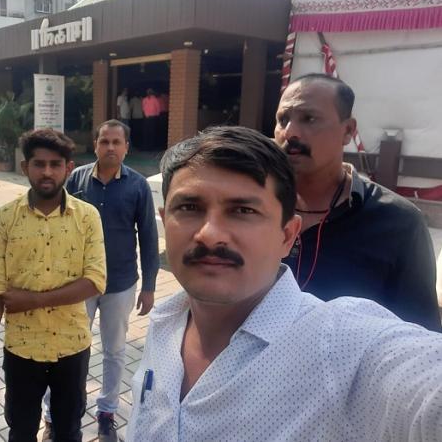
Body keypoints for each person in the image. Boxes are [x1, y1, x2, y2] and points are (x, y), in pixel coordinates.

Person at [127, 126, 442, 441]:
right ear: (165, 219)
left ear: (287, 235)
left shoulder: (342, 347)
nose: (209, 234)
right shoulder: (164, 323)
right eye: (189, 208)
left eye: (243, 210)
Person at [275, 74, 440, 330]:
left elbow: (420, 332)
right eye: (283, 119)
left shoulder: (398, 223)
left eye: (309, 118)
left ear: (348, 131)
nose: (290, 132)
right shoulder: (253, 208)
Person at [0, 128, 106, 442]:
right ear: (25, 167)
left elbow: (95, 281)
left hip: (72, 347)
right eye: (38, 164)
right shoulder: (4, 219)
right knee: (21, 431)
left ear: (68, 168)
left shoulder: (87, 217)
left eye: (55, 164)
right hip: (22, 350)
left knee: (69, 431)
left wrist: (32, 300)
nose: (47, 172)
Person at [47, 120, 159, 441]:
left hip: (120, 283)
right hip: (78, 283)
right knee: (65, 349)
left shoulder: (138, 186)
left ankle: (107, 412)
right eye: (104, 141)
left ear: (126, 148)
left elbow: (149, 237)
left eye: (116, 142)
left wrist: (149, 286)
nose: (110, 147)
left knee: (114, 350)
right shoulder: (76, 180)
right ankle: (54, 413)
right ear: (95, 145)